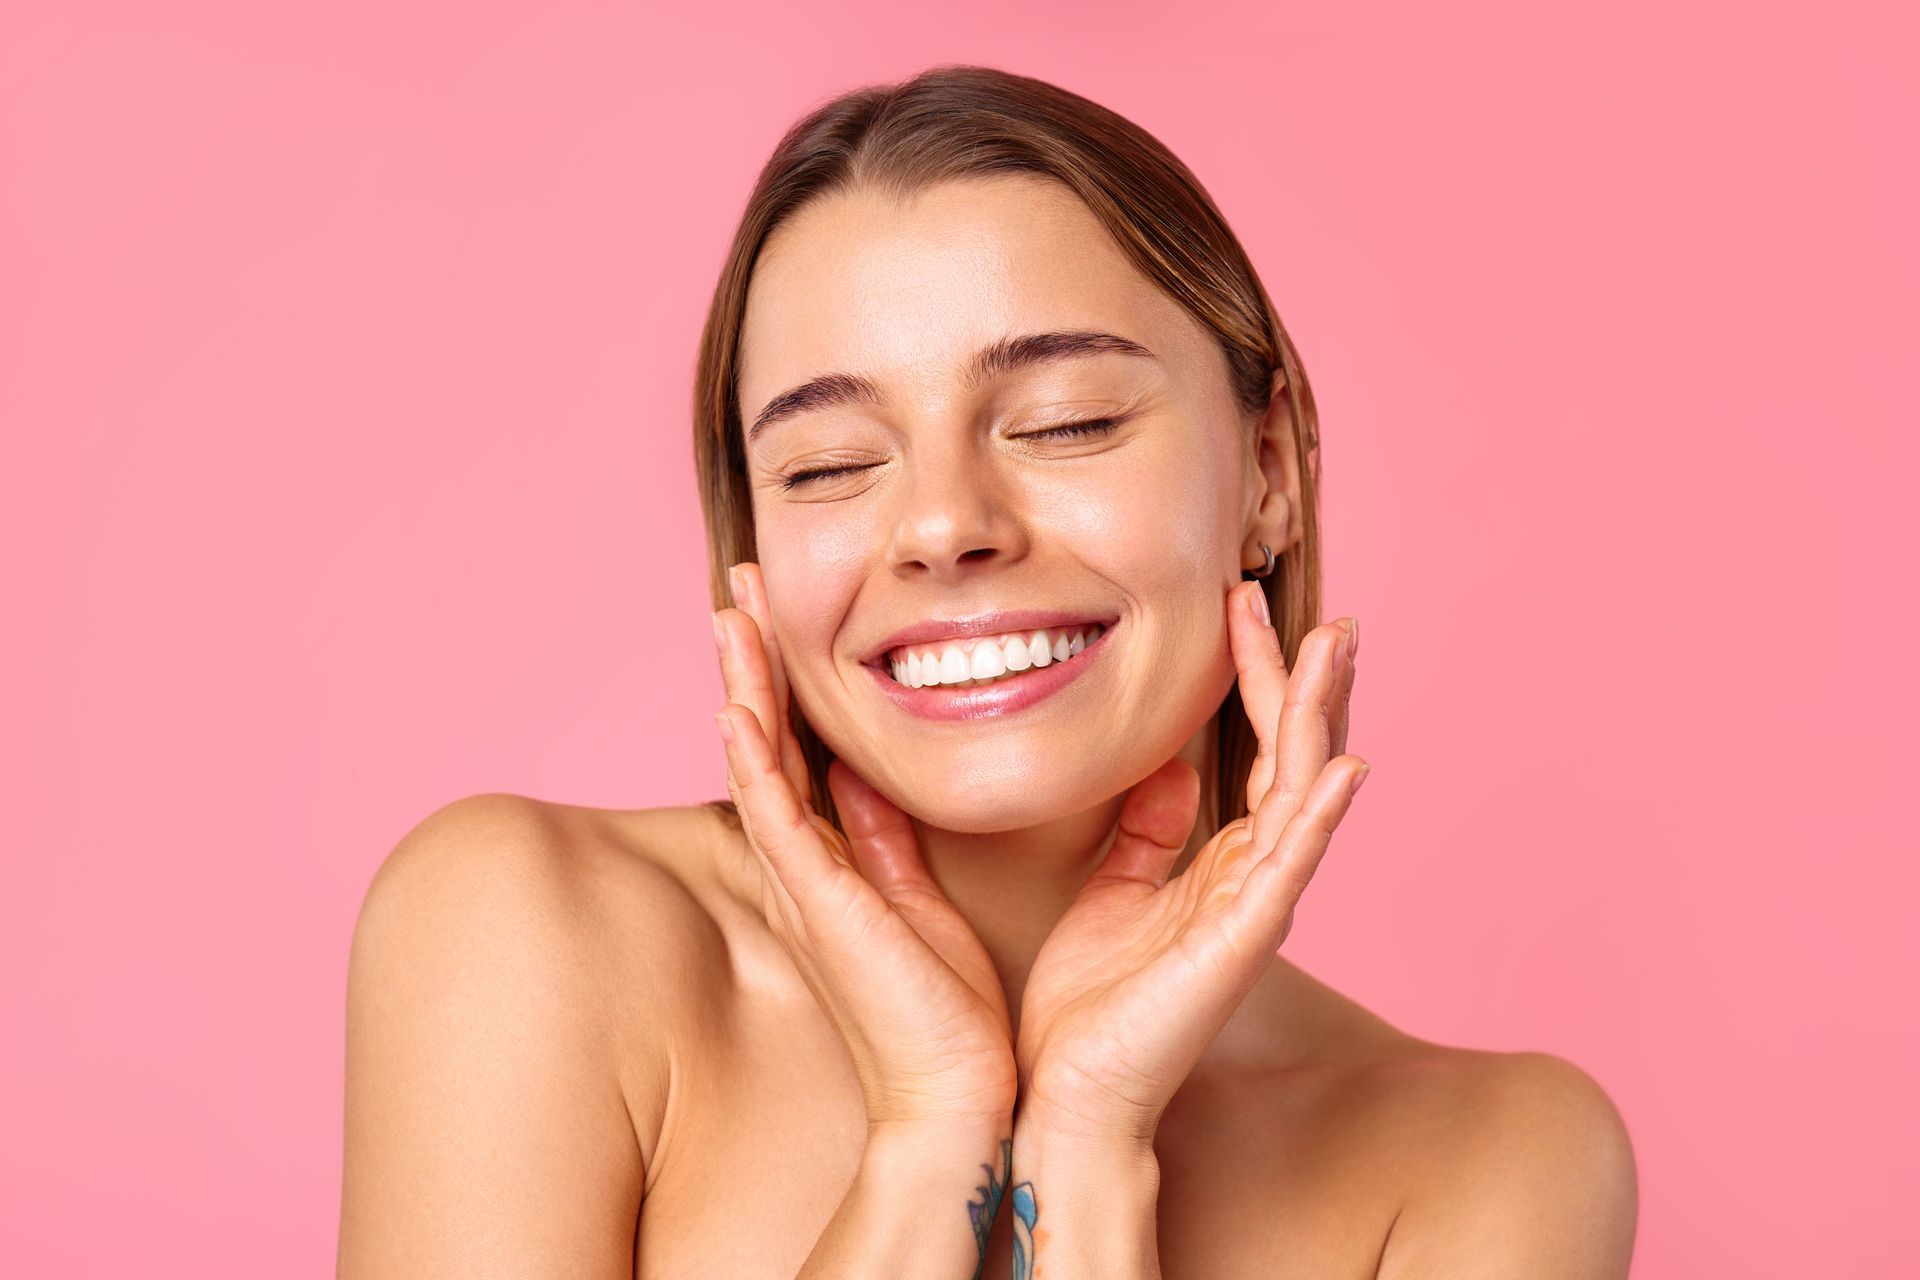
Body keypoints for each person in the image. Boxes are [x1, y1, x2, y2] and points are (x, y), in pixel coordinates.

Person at [337, 64, 1638, 1279]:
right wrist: (931, 1131)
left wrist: (1086, 1142)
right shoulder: (529, 932)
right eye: (831, 464)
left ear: (1272, 475)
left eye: (1065, 422)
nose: (944, 524)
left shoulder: (1489, 1160)